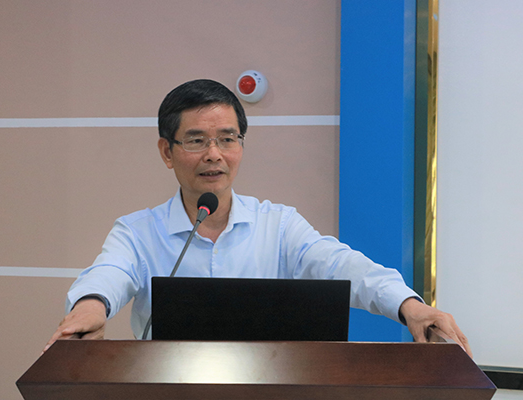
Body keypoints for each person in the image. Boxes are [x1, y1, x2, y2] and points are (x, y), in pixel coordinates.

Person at [45, 79, 471, 356]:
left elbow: (342, 265)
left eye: (227, 139)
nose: (214, 154)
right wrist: (89, 307)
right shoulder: (138, 231)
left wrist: (409, 306)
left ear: (241, 146)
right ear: (166, 152)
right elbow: (110, 273)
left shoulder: (278, 225)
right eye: (196, 140)